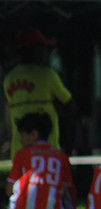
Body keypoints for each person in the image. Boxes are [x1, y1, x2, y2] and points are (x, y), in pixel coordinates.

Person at [3, 28, 76, 159]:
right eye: (42, 48)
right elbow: (70, 106)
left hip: (20, 152)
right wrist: (54, 107)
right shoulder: (47, 76)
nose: (45, 53)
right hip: (48, 151)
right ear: (32, 50)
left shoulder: (9, 79)